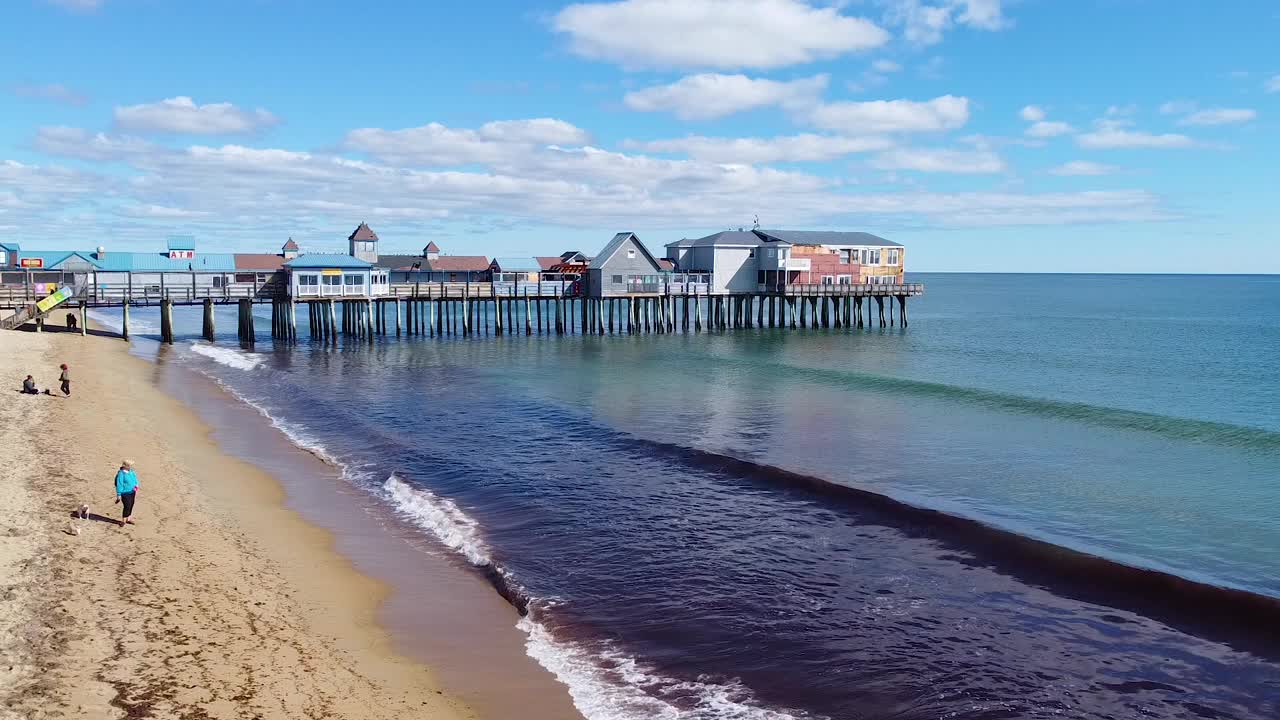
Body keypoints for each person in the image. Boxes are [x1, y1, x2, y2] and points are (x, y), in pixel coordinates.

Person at [114, 460, 139, 526]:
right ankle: (123, 520)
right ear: (126, 466)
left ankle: (128, 519)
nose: (131, 466)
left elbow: (135, 480)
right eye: (130, 465)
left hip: (132, 492)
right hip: (125, 493)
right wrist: (119, 494)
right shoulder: (121, 474)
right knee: (127, 506)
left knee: (131, 504)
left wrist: (136, 486)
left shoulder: (131, 472)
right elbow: (119, 484)